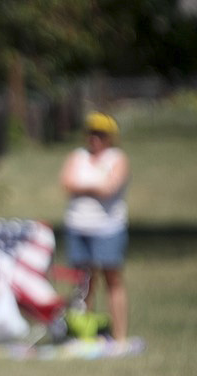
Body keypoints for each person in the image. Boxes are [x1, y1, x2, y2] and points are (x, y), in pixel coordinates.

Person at [60, 111, 130, 343]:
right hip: (78, 226)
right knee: (83, 282)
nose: (94, 138)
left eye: (100, 134)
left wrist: (84, 186)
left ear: (110, 137)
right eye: (91, 133)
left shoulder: (117, 158)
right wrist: (96, 186)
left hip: (108, 228)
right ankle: (84, 333)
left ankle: (119, 336)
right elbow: (67, 183)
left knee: (113, 280)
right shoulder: (77, 156)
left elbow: (109, 188)